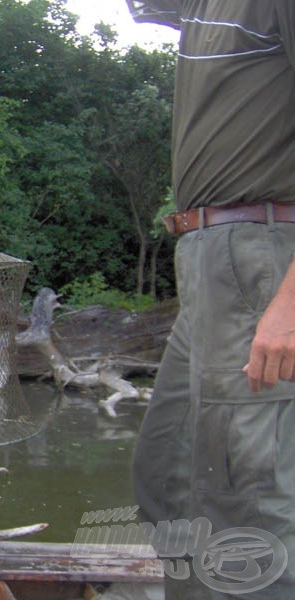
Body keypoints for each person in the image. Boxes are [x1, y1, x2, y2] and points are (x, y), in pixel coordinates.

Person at [126, 2, 295, 599]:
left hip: (263, 257)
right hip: (203, 262)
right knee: (167, 473)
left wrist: (291, 302)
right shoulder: (201, 6)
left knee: (246, 495)